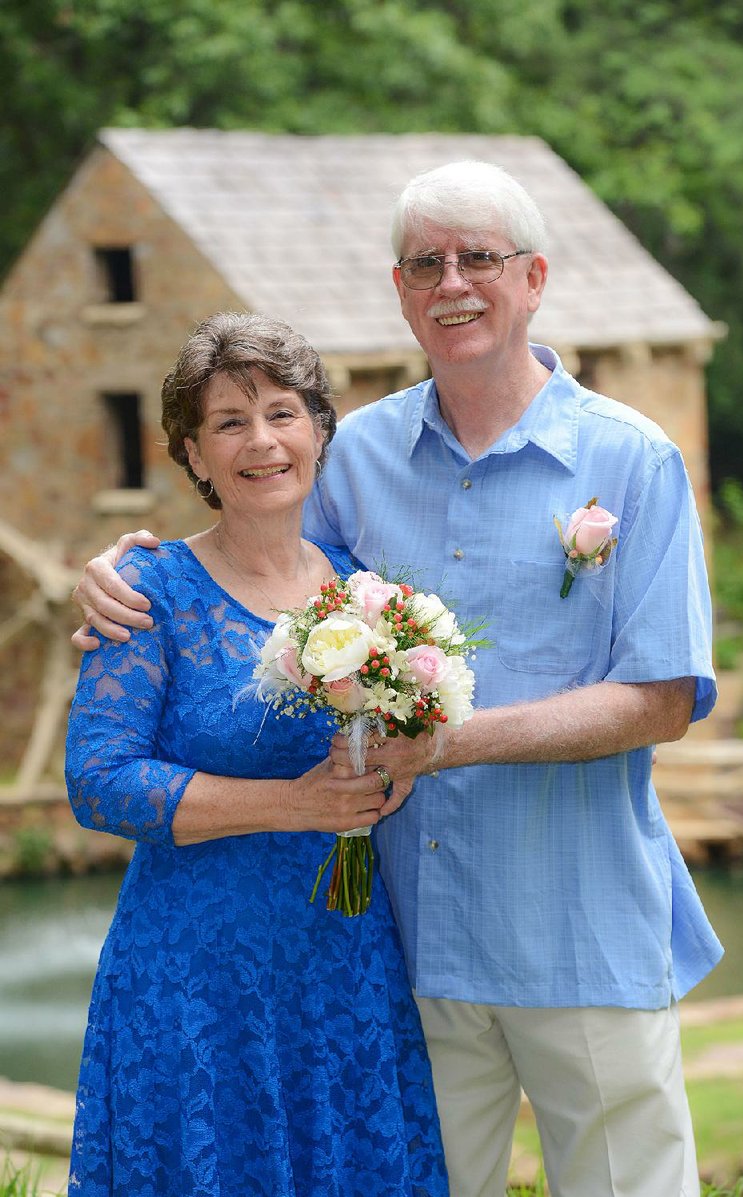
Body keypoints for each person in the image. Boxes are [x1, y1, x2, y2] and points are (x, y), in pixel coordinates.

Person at [71, 162, 722, 1197]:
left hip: (578, 925)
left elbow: (660, 699)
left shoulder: (631, 459)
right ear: (398, 287)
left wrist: (449, 742)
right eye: (426, 263)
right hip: (402, 944)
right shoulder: (356, 457)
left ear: (535, 277)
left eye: (478, 258)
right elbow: (262, 572)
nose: (451, 282)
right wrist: (122, 571)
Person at [64, 311, 448, 1197]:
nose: (261, 440)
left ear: (319, 429)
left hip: (342, 966)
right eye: (229, 422)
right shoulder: (147, 591)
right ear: (194, 455)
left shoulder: (368, 592)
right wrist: (293, 804)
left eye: (282, 412)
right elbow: (99, 782)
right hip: (195, 981)